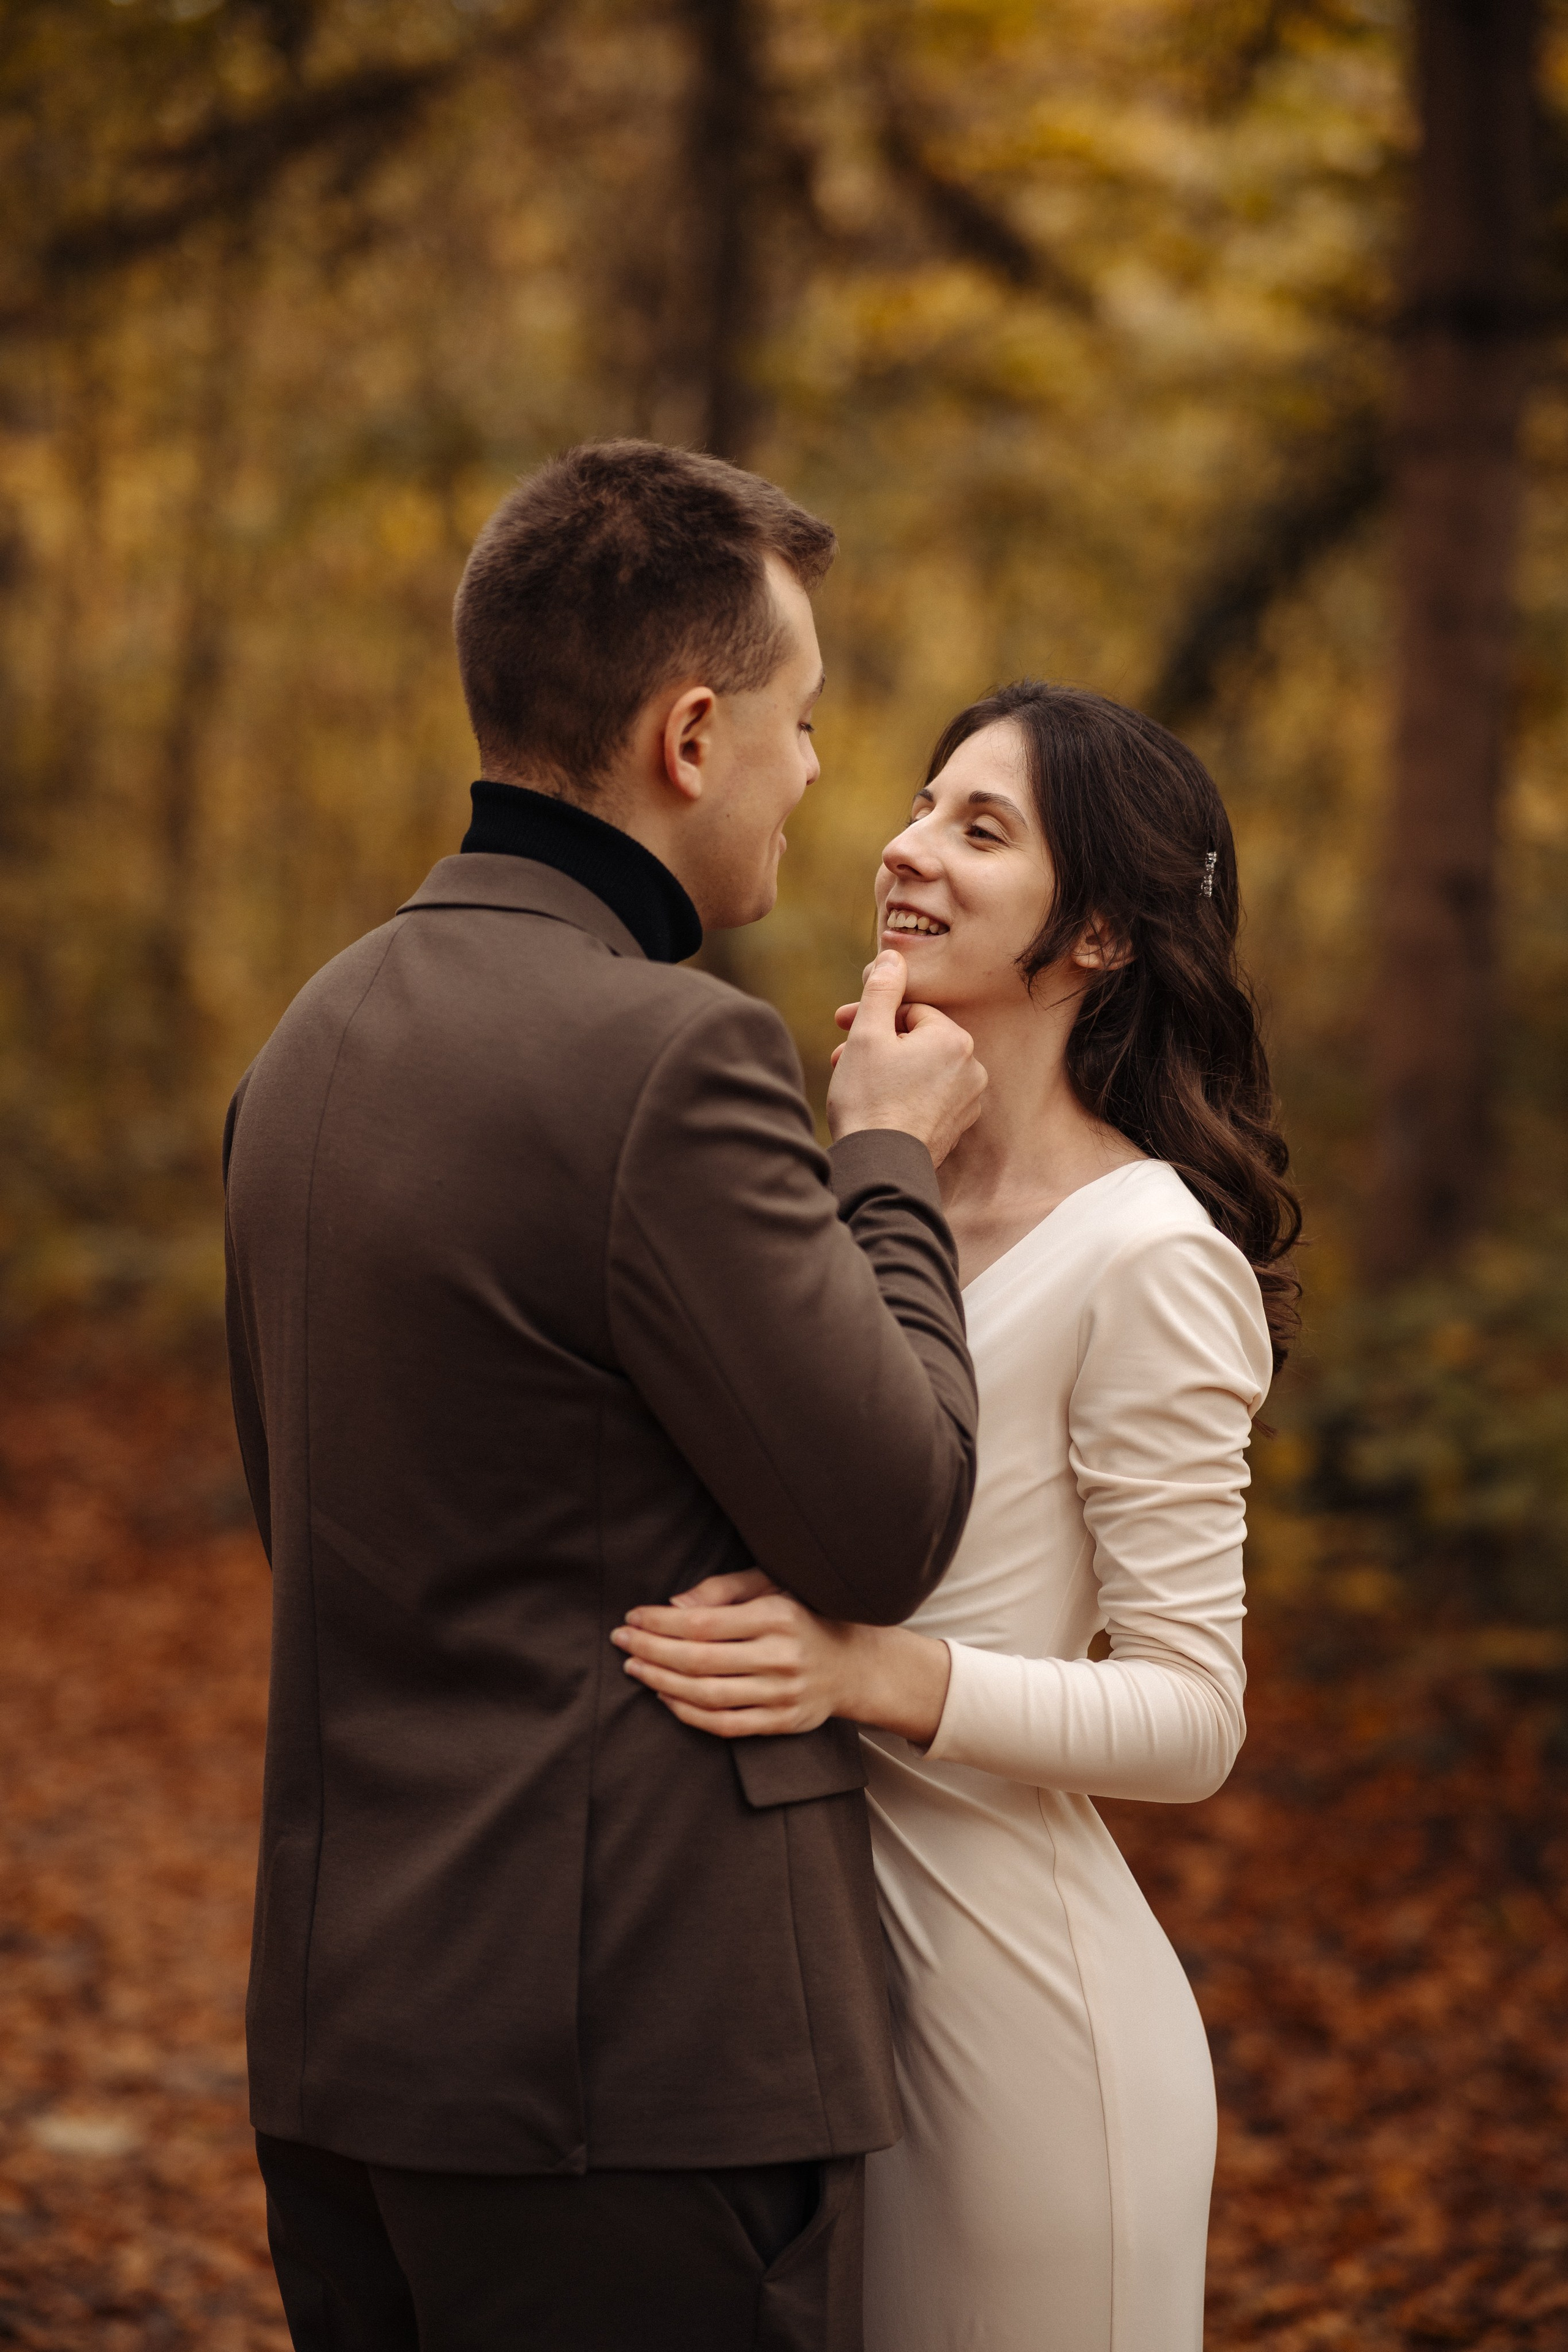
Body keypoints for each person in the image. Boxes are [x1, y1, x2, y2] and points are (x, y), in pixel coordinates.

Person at [221, 440, 991, 2352]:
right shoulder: (670, 1057)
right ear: (694, 732)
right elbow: (889, 1521)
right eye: (804, 722)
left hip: (344, 2044)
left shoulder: (305, 1045)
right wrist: (886, 1160)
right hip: (623, 2068)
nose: (821, 775)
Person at [612, 681, 1302, 2352]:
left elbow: (1194, 1714)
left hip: (1019, 2026)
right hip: (788, 2000)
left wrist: (876, 1676)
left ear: (1105, 939)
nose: (907, 852)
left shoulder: (1152, 1253)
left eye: (981, 830)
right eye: (922, 807)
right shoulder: (855, 1186)